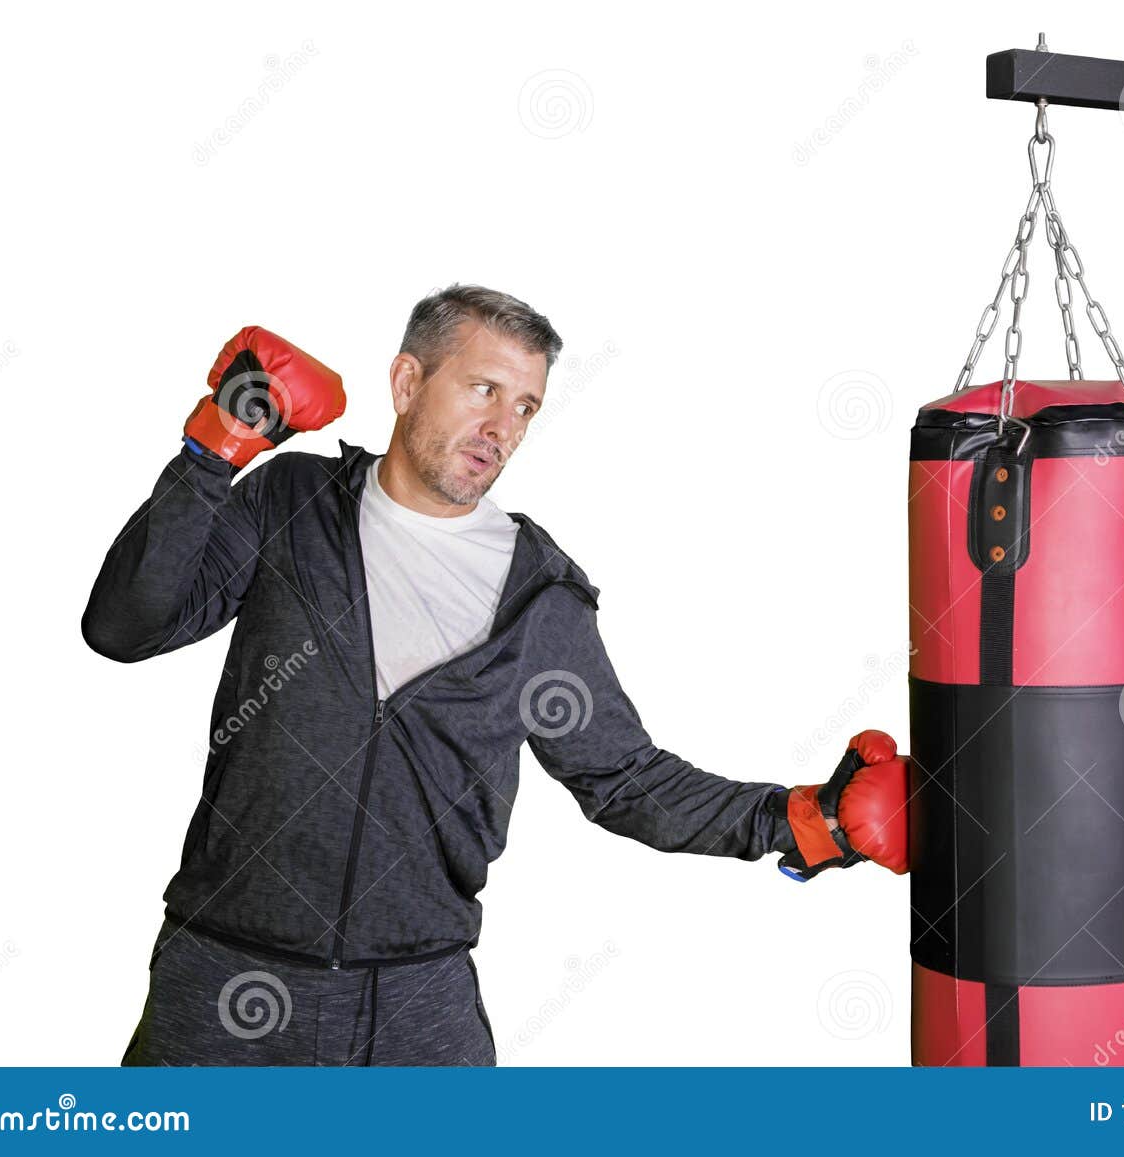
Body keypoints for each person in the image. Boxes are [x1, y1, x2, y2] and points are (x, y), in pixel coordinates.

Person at [82, 284, 907, 1065]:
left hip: (416, 999)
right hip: (226, 973)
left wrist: (799, 819)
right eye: (482, 389)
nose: (501, 427)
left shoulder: (539, 593)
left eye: (524, 407)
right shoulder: (293, 503)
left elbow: (623, 778)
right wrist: (214, 450)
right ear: (407, 381)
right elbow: (124, 626)